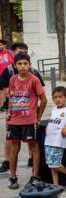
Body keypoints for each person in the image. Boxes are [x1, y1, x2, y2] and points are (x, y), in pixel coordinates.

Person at [6, 53, 47, 189]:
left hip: (30, 120)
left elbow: (44, 100)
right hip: (14, 121)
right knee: (14, 149)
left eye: (25, 63)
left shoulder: (34, 79)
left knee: (33, 147)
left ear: (29, 64)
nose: (23, 66)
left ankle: (34, 176)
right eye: (20, 64)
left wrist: (38, 116)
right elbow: (11, 98)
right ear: (15, 65)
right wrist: (9, 113)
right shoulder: (12, 79)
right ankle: (13, 177)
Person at [0, 43, 41, 173]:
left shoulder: (34, 74)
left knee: (32, 144)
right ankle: (9, 166)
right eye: (19, 50)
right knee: (12, 143)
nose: (23, 66)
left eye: (25, 51)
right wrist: (8, 109)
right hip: (13, 115)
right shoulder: (9, 73)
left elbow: (41, 94)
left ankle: (33, 169)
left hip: (28, 117)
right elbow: (6, 92)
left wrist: (36, 114)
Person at [44, 86, 66, 187]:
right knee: (51, 165)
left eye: (60, 96)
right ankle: (55, 184)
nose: (57, 99)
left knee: (55, 164)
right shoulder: (54, 109)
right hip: (48, 140)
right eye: (55, 97)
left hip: (58, 141)